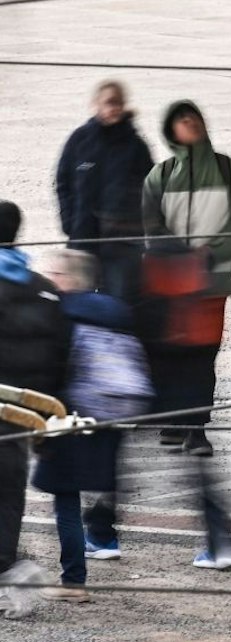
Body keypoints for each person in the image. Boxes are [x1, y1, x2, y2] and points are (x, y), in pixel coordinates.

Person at [138, 101, 231, 459]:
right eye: (180, 120)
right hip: (170, 283)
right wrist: (179, 253)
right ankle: (175, 422)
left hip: (210, 282)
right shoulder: (160, 176)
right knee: (171, 354)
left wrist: (213, 252)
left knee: (202, 356)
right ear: (170, 129)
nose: (188, 123)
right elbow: (152, 227)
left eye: (193, 118)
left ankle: (196, 427)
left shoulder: (229, 170)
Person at [32, 248, 149, 601]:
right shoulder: (117, 312)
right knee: (102, 481)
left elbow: (53, 370)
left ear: (69, 279)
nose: (49, 278)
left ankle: (74, 582)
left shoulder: (61, 315)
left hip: (72, 413)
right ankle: (104, 537)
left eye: (54, 273)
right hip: (115, 411)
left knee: (65, 498)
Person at [0, 201, 70, 617]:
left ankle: (13, 569)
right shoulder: (44, 289)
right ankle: (11, 568)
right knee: (7, 496)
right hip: (21, 415)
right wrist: (49, 417)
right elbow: (62, 358)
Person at [55, 80, 155, 302]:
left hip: (122, 246)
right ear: (96, 104)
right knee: (77, 303)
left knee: (118, 305)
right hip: (82, 239)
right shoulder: (79, 140)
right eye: (109, 102)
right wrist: (68, 221)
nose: (114, 108)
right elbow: (63, 182)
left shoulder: (136, 146)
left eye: (118, 103)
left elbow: (151, 189)